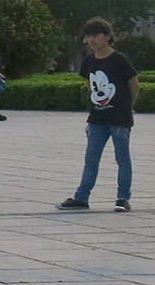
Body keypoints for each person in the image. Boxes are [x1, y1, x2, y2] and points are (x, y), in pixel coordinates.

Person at [58, 17, 137, 212]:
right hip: (97, 118)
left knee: (122, 159)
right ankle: (82, 197)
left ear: (108, 37)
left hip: (119, 117)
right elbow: (88, 84)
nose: (91, 40)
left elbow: (134, 85)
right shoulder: (89, 61)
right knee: (91, 159)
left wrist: (127, 107)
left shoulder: (119, 59)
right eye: (88, 36)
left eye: (95, 35)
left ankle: (122, 198)